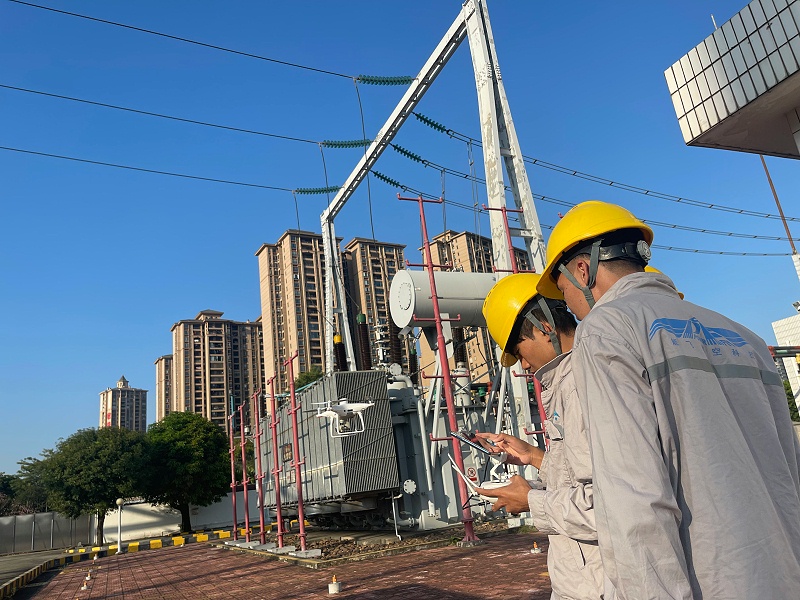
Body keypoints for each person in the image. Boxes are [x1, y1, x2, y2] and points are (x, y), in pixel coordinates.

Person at [535, 200, 800, 599]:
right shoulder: (742, 335)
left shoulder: (610, 328)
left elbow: (635, 501)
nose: (569, 307)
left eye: (564, 291)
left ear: (582, 270)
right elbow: (788, 475)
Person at [475, 273, 604, 600]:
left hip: (601, 585)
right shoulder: (567, 383)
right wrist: (532, 456)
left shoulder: (585, 384)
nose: (520, 363)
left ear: (545, 328)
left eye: (517, 349)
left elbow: (610, 508)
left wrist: (532, 500)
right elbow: (584, 475)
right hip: (583, 579)